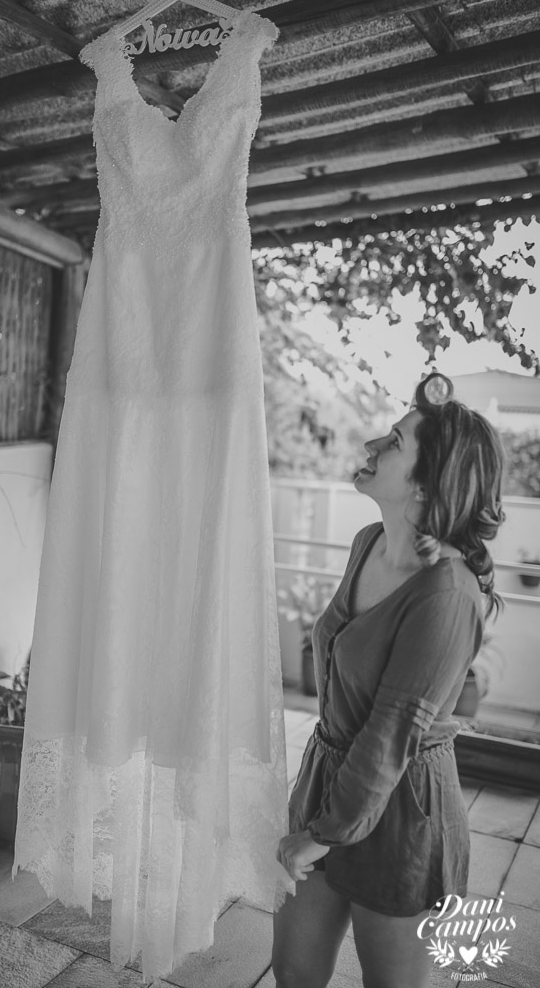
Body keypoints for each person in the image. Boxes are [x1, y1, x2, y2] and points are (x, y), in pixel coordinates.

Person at [272, 372, 505, 988]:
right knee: (294, 974)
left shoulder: (448, 595)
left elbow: (391, 734)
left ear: (429, 480)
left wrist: (322, 834)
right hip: (329, 780)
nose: (373, 443)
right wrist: (317, 812)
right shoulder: (367, 541)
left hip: (402, 811)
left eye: (395, 440)